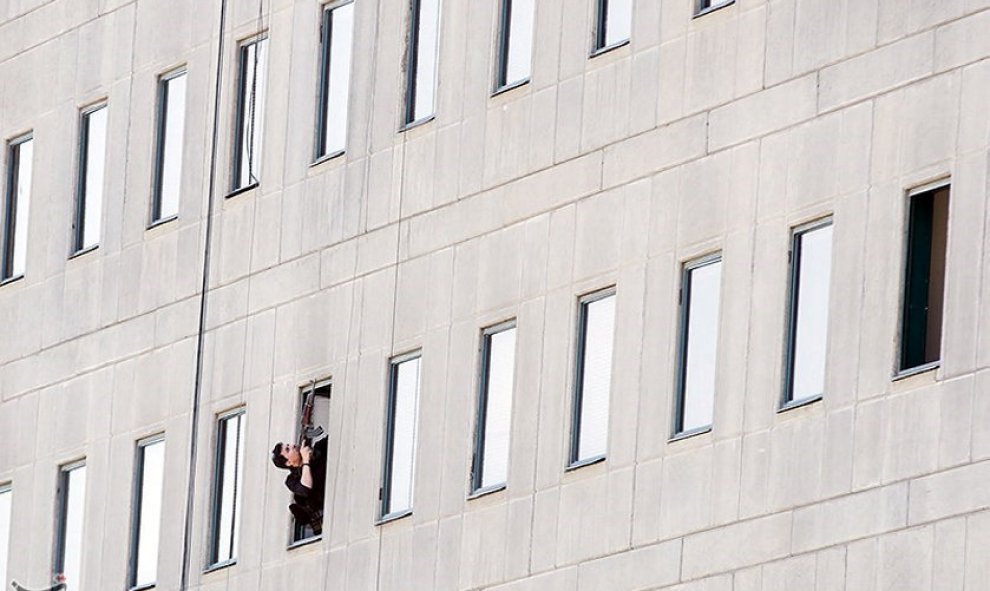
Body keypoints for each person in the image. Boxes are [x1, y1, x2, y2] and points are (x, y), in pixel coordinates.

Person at [271, 436, 328, 535]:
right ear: (288, 462)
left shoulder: (317, 449)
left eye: (289, 445)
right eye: (288, 449)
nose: (293, 445)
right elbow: (306, 489)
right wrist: (306, 461)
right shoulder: (292, 480)